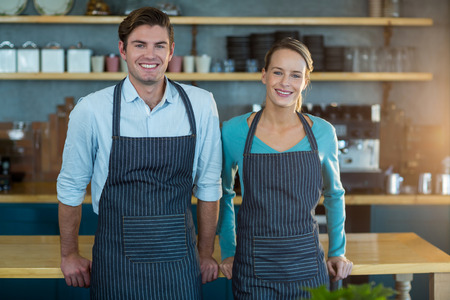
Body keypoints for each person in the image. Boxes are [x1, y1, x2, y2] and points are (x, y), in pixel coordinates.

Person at [57, 7, 222, 299]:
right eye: (139, 45)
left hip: (180, 263)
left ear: (171, 51)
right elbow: (70, 187)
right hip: (114, 260)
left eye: (159, 46)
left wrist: (205, 253)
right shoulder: (92, 109)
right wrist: (69, 254)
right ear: (122, 49)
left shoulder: (201, 104)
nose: (150, 55)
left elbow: (209, 187)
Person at [217, 37, 353, 299]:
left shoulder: (323, 133)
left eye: (295, 75)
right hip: (252, 270)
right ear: (264, 75)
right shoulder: (233, 131)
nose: (285, 82)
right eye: (278, 72)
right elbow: (223, 193)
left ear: (304, 82)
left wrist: (337, 250)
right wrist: (228, 251)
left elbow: (335, 195)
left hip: (308, 268)